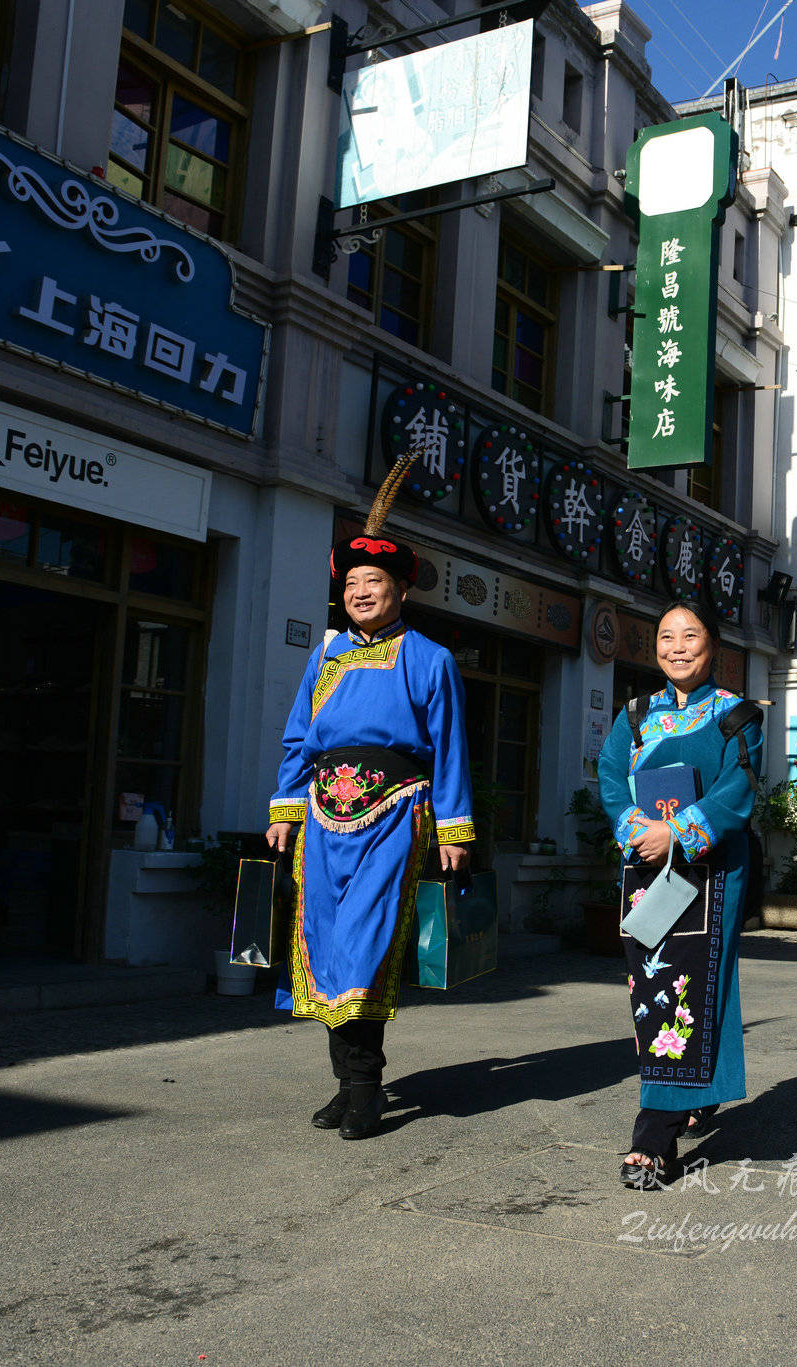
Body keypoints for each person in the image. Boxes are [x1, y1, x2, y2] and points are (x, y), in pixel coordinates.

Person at [265, 468, 474, 1142]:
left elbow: (449, 748)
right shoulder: (324, 657)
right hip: (324, 817)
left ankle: (366, 1087)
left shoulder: (430, 658)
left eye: (374, 584)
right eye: (351, 585)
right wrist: (284, 809)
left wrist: (454, 827)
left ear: (400, 591)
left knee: (366, 947)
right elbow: (299, 735)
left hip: (395, 815)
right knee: (324, 943)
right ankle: (345, 1082)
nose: (360, 593)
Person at [597, 601, 763, 1188]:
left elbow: (738, 787)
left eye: (690, 635)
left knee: (692, 984)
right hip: (646, 868)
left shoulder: (737, 716)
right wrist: (636, 831)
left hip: (709, 871)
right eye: (666, 636)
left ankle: (655, 1135)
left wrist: (678, 831)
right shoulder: (636, 714)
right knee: (652, 986)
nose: (677, 646)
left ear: (713, 647)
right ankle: (695, 1092)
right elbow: (611, 775)